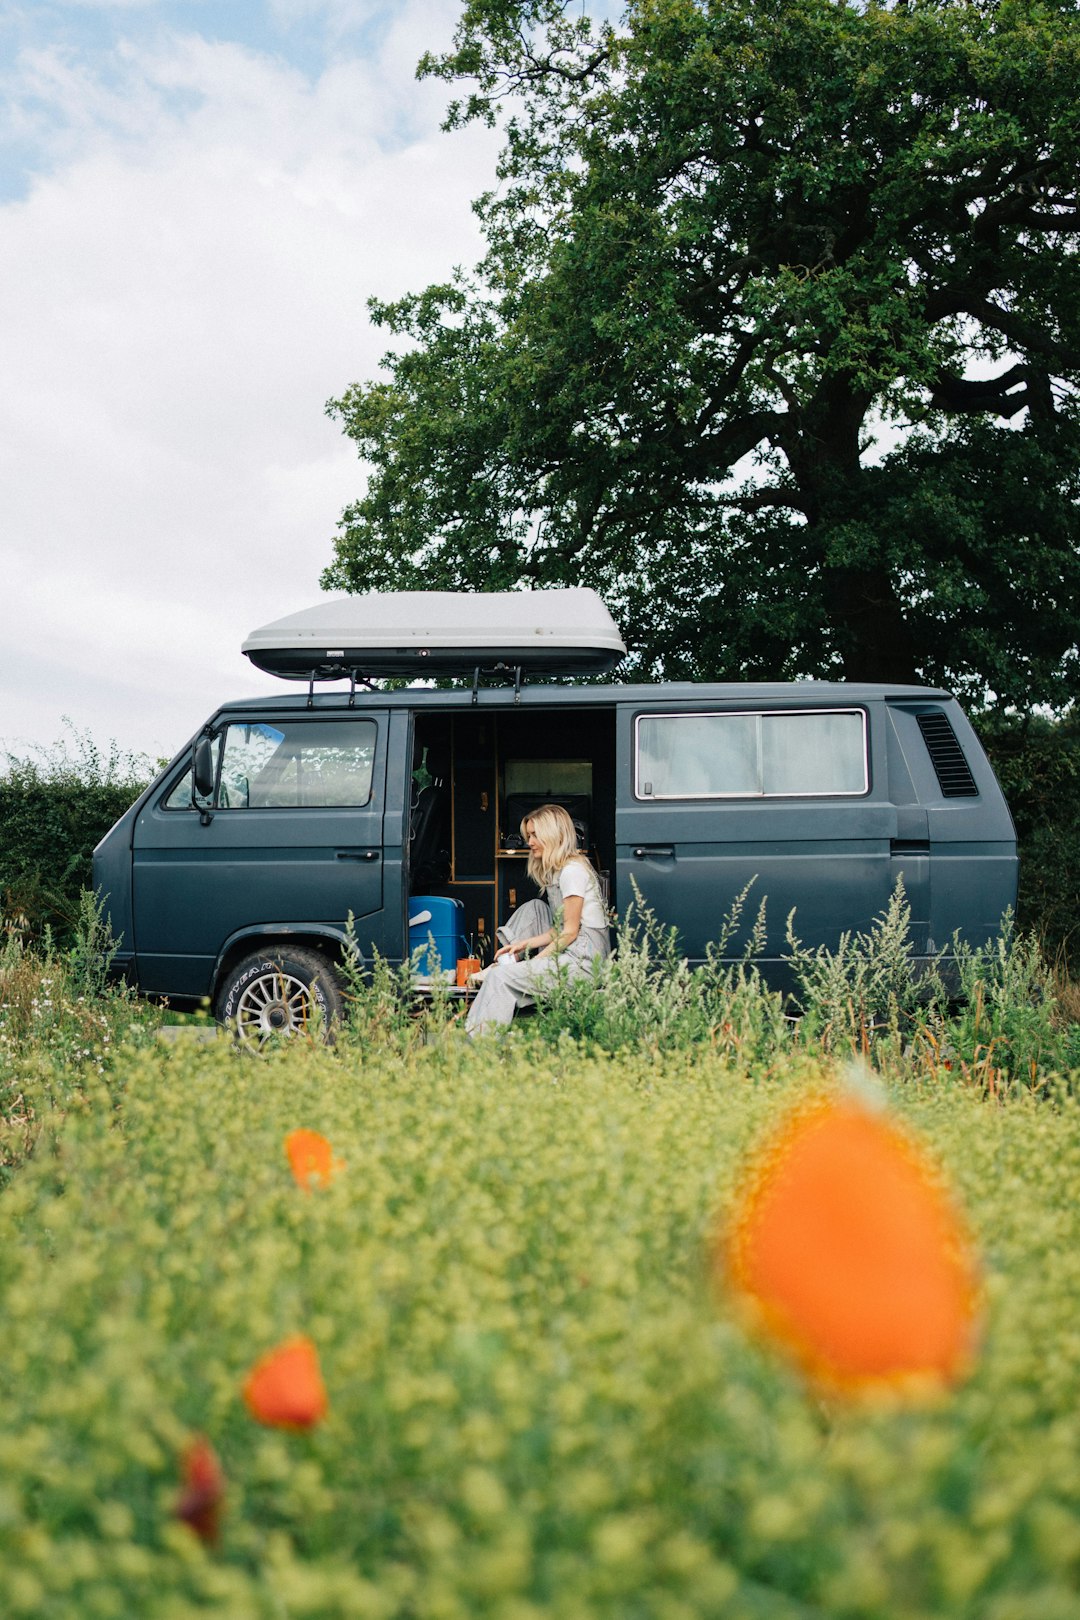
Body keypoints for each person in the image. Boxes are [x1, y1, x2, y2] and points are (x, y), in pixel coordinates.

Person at [465, 803, 611, 1035]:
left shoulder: (572, 872)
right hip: (572, 947)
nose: (529, 842)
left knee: (501, 979)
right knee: (535, 907)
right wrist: (525, 944)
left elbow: (570, 932)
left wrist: (534, 964)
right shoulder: (558, 870)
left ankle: (480, 1052)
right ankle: (506, 963)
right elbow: (560, 929)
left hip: (584, 964)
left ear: (553, 836)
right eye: (528, 835)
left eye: (535, 835)